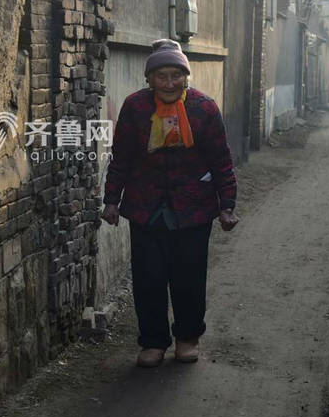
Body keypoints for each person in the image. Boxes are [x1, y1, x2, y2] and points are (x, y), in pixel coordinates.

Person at [101, 39, 239, 368]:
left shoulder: (204, 108)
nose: (169, 83)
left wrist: (227, 204)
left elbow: (221, 160)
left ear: (185, 78)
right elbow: (121, 157)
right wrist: (111, 200)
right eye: (161, 76)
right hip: (146, 209)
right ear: (149, 79)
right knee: (148, 279)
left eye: (176, 75)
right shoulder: (136, 107)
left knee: (189, 279)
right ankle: (153, 342)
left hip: (193, 210)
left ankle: (187, 338)